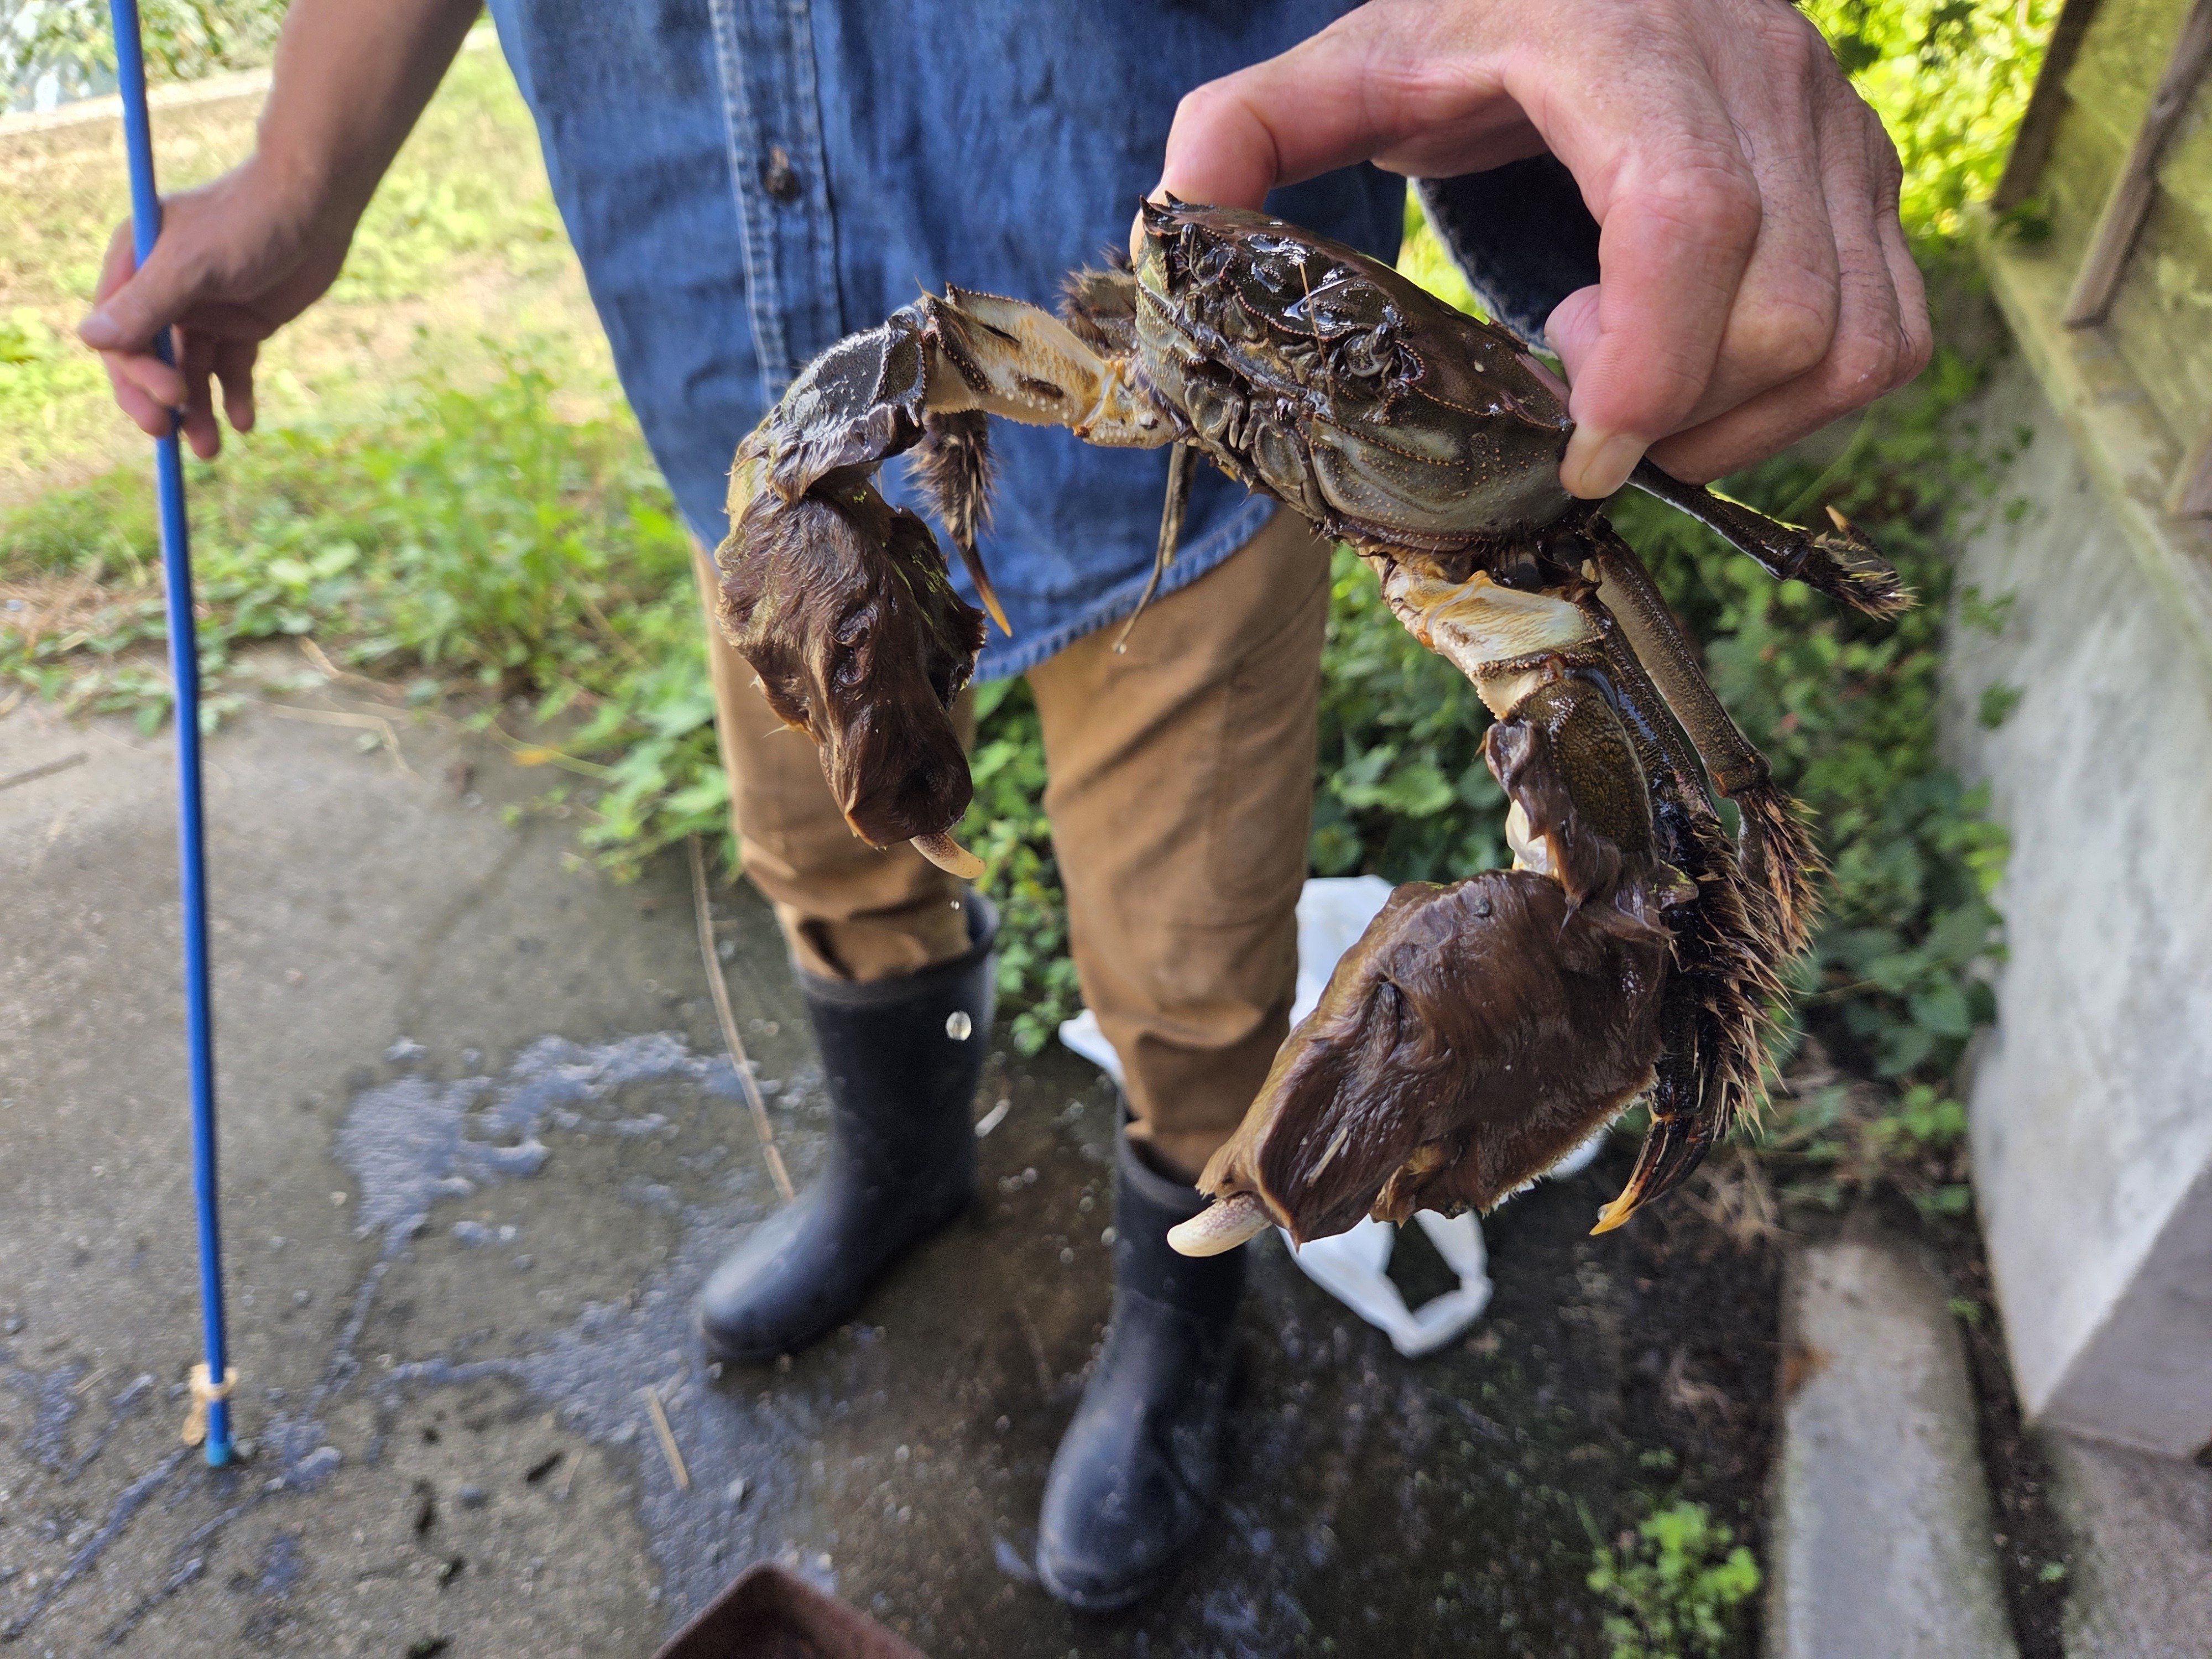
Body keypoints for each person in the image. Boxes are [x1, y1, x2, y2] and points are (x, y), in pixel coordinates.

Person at [82, 0, 1929, 1613]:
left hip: (1234, 523)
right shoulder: (1095, 343)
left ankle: (1181, 1303)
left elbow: (1687, 836)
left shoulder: (1531, 538)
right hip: (752, 350)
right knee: (834, 842)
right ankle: (902, 1169)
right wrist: (302, 178)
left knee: (1203, 960)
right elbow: (941, 356)